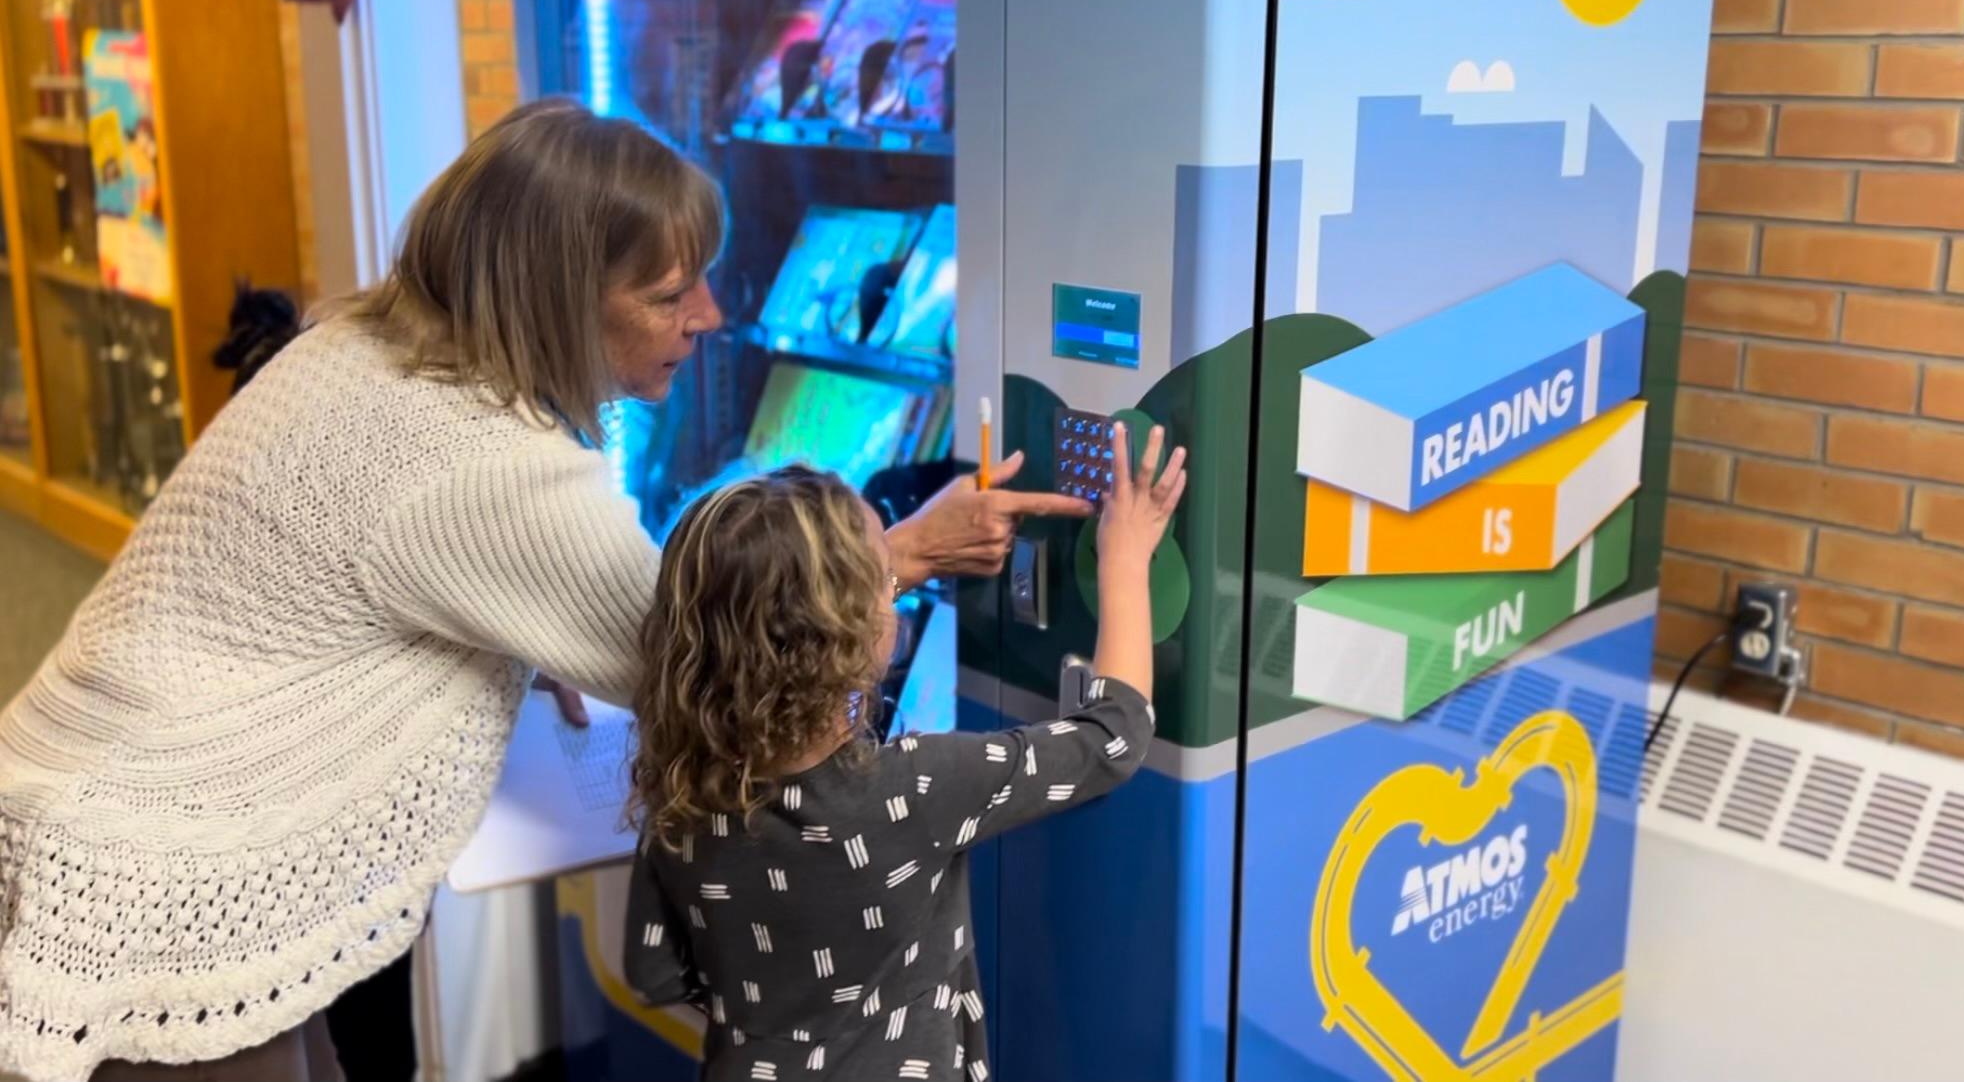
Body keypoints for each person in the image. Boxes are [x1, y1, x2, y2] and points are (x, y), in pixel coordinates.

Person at [0, 98, 1090, 1082]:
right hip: (165, 886)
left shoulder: (355, 351)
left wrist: (519, 641)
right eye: (669, 293)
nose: (708, 315)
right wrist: (901, 550)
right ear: (559, 301)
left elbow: (369, 584)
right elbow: (729, 649)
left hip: (78, 794)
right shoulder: (492, 471)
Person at [620, 425, 1186, 1081]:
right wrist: (1124, 558)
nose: (895, 584)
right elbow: (1112, 737)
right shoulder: (915, 789)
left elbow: (654, 972)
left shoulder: (681, 795)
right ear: (852, 637)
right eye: (881, 578)